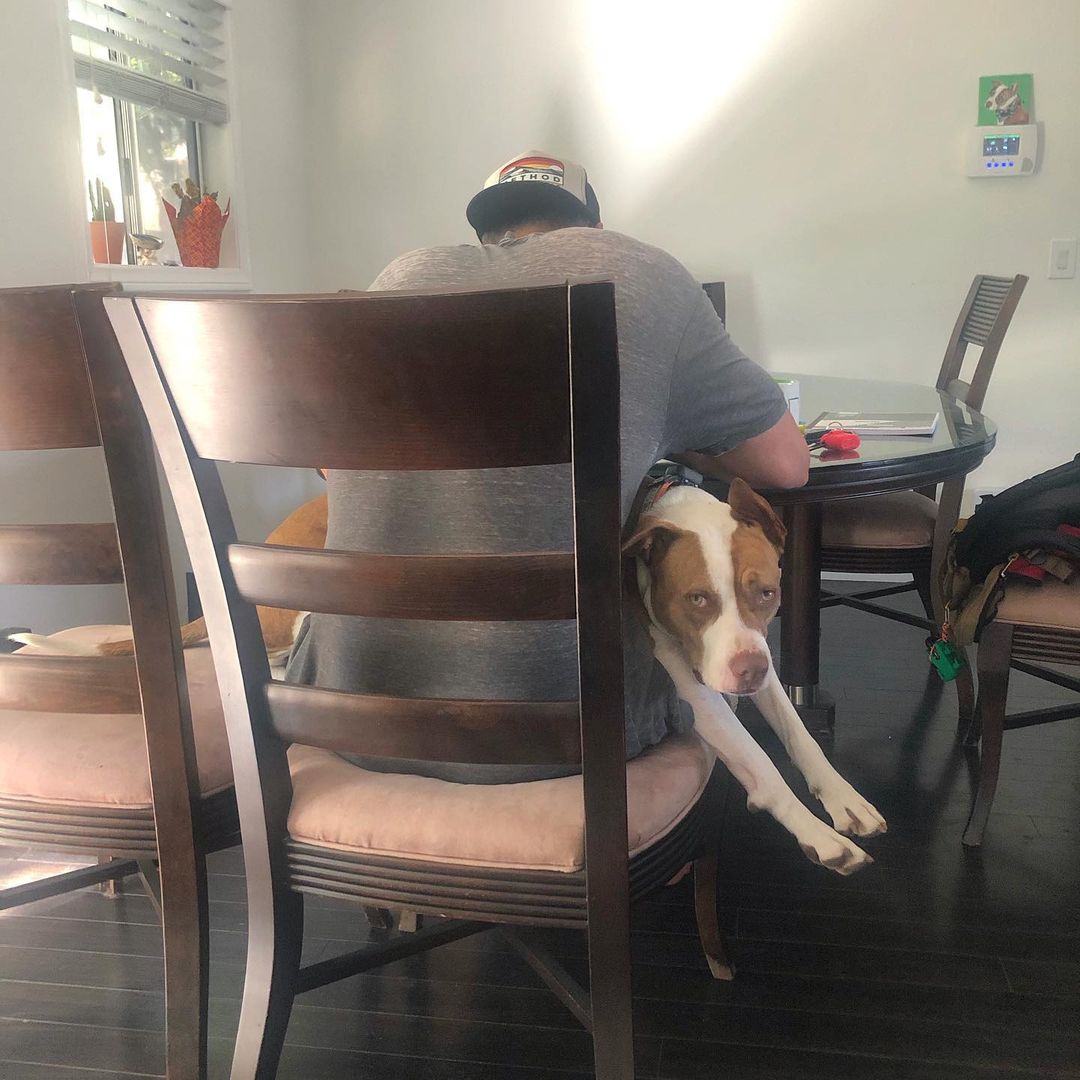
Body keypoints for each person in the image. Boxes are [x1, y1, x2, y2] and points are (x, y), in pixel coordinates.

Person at [286, 150, 808, 781]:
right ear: (592, 227)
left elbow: (332, 467)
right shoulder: (641, 272)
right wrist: (665, 425)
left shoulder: (400, 276)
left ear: (483, 236)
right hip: (572, 728)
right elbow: (785, 464)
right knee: (679, 641)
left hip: (356, 710)